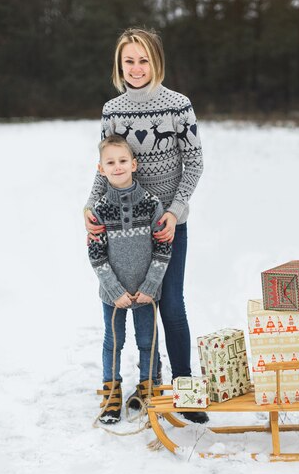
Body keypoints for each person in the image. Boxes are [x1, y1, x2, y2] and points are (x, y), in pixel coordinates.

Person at [84, 27, 208, 424]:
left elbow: (194, 164)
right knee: (129, 303)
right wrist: (90, 204)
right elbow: (106, 165)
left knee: (171, 305)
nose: (136, 68)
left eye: (143, 60)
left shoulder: (178, 106)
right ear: (119, 65)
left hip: (168, 224)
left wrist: (174, 210)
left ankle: (185, 389)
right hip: (123, 227)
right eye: (128, 61)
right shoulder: (112, 110)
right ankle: (146, 382)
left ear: (156, 61)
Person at [89, 134, 171, 424]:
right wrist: (113, 290)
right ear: (101, 169)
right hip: (114, 295)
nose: (118, 166)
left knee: (148, 341)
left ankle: (148, 389)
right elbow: (96, 255)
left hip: (146, 293)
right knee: (114, 341)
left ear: (134, 164)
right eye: (110, 162)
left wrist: (150, 286)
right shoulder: (98, 210)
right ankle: (111, 394)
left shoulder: (151, 204)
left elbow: (163, 248)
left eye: (123, 161)